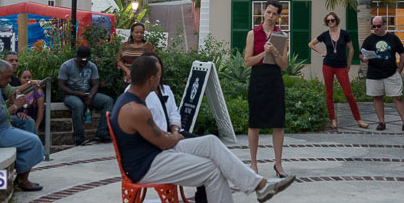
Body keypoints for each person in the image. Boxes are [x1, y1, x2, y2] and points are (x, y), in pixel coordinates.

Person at [110, 55, 295, 203]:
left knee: (211, 142)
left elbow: (159, 138)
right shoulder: (136, 110)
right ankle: (259, 186)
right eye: (158, 75)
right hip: (146, 166)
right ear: (151, 79)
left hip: (154, 152)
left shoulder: (131, 100)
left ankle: (260, 185)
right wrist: (176, 136)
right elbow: (164, 142)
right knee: (212, 170)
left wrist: (173, 135)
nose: (160, 78)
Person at [137, 51, 208, 203]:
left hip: (175, 134)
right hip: (159, 141)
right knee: (205, 163)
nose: (156, 69)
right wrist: (168, 137)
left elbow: (174, 113)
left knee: (207, 147)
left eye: (157, 65)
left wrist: (175, 130)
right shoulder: (138, 94)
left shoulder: (165, 89)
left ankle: (202, 197)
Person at [0, 59, 44, 192]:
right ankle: (23, 181)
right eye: (8, 76)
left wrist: (10, 103)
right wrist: (15, 107)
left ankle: (22, 176)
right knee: (34, 141)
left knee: (29, 132)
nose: (10, 80)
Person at [244, 0, 289, 177]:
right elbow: (248, 61)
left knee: (278, 123)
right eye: (268, 12)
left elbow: (283, 65)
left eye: (274, 14)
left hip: (275, 80)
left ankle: (278, 164)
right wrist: (264, 52)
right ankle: (253, 164)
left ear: (278, 16)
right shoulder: (253, 34)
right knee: (254, 123)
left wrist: (275, 51)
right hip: (258, 80)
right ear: (264, 12)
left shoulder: (281, 36)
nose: (270, 16)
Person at [309, 12, 368, 129]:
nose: (330, 22)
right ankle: (333, 120)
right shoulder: (325, 35)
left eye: (332, 20)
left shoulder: (344, 34)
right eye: (328, 21)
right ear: (326, 22)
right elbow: (310, 44)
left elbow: (351, 49)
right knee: (329, 93)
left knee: (348, 94)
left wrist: (349, 64)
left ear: (336, 20)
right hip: (328, 66)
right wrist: (321, 52)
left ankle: (359, 120)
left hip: (341, 66)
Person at [360, 16, 404, 133]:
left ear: (384, 25)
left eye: (378, 26)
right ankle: (381, 122)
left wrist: (400, 69)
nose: (376, 28)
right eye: (374, 26)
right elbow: (361, 53)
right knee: (377, 97)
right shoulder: (369, 39)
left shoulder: (393, 38)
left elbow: (402, 53)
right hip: (374, 74)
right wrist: (364, 58)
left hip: (391, 73)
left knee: (398, 97)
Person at [58, 46, 114, 145]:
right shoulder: (66, 66)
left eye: (86, 61)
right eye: (81, 61)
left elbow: (95, 84)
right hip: (71, 94)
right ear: (77, 58)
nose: (83, 63)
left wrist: (91, 96)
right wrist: (76, 93)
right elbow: (61, 85)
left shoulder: (92, 66)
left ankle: (102, 133)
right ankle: (79, 137)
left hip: (87, 93)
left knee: (108, 101)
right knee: (78, 105)